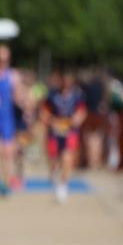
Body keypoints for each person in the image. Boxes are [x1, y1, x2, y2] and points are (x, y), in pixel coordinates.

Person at [43, 70, 87, 203]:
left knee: (68, 158)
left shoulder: (77, 96)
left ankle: (63, 185)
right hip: (55, 132)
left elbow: (82, 111)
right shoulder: (52, 95)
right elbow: (44, 112)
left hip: (70, 132)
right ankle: (54, 175)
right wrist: (52, 121)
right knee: (54, 161)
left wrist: (77, 119)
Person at [0, 44, 20, 194]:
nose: (2, 59)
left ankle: (4, 181)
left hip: (7, 118)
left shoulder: (13, 75)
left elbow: (18, 96)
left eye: (4, 56)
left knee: (6, 153)